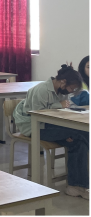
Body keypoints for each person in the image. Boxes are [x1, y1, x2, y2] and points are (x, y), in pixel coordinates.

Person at [13, 65, 89, 200]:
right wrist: (59, 107)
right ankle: (80, 185)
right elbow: (37, 115)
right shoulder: (41, 90)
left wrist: (66, 130)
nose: (71, 92)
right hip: (34, 127)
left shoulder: (62, 91)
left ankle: (76, 186)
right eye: (71, 88)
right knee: (79, 135)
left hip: (51, 125)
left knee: (79, 140)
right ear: (63, 82)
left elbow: (62, 111)